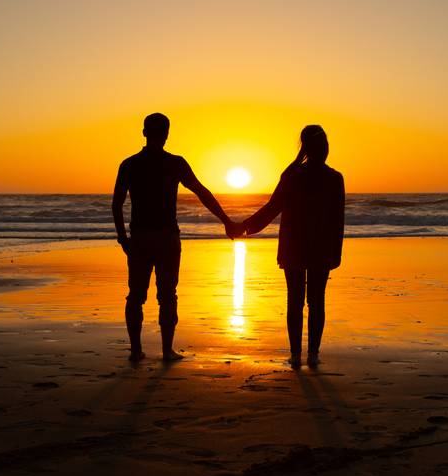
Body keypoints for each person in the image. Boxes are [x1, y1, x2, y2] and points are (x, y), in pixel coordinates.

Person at [112, 113, 241, 362]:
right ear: (166, 134)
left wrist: (123, 238)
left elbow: (116, 204)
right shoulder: (174, 163)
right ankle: (166, 351)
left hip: (140, 237)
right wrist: (226, 221)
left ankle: (137, 351)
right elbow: (202, 192)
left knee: (136, 295)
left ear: (144, 132)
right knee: (167, 295)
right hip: (166, 238)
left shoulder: (130, 164)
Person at [241, 125, 345, 368]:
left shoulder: (293, 175)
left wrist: (245, 226)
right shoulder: (334, 178)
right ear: (325, 148)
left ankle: (296, 355)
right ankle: (313, 355)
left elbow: (271, 208)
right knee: (317, 300)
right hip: (320, 246)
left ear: (304, 148)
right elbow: (337, 220)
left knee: (295, 301)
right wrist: (336, 253)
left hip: (294, 246)